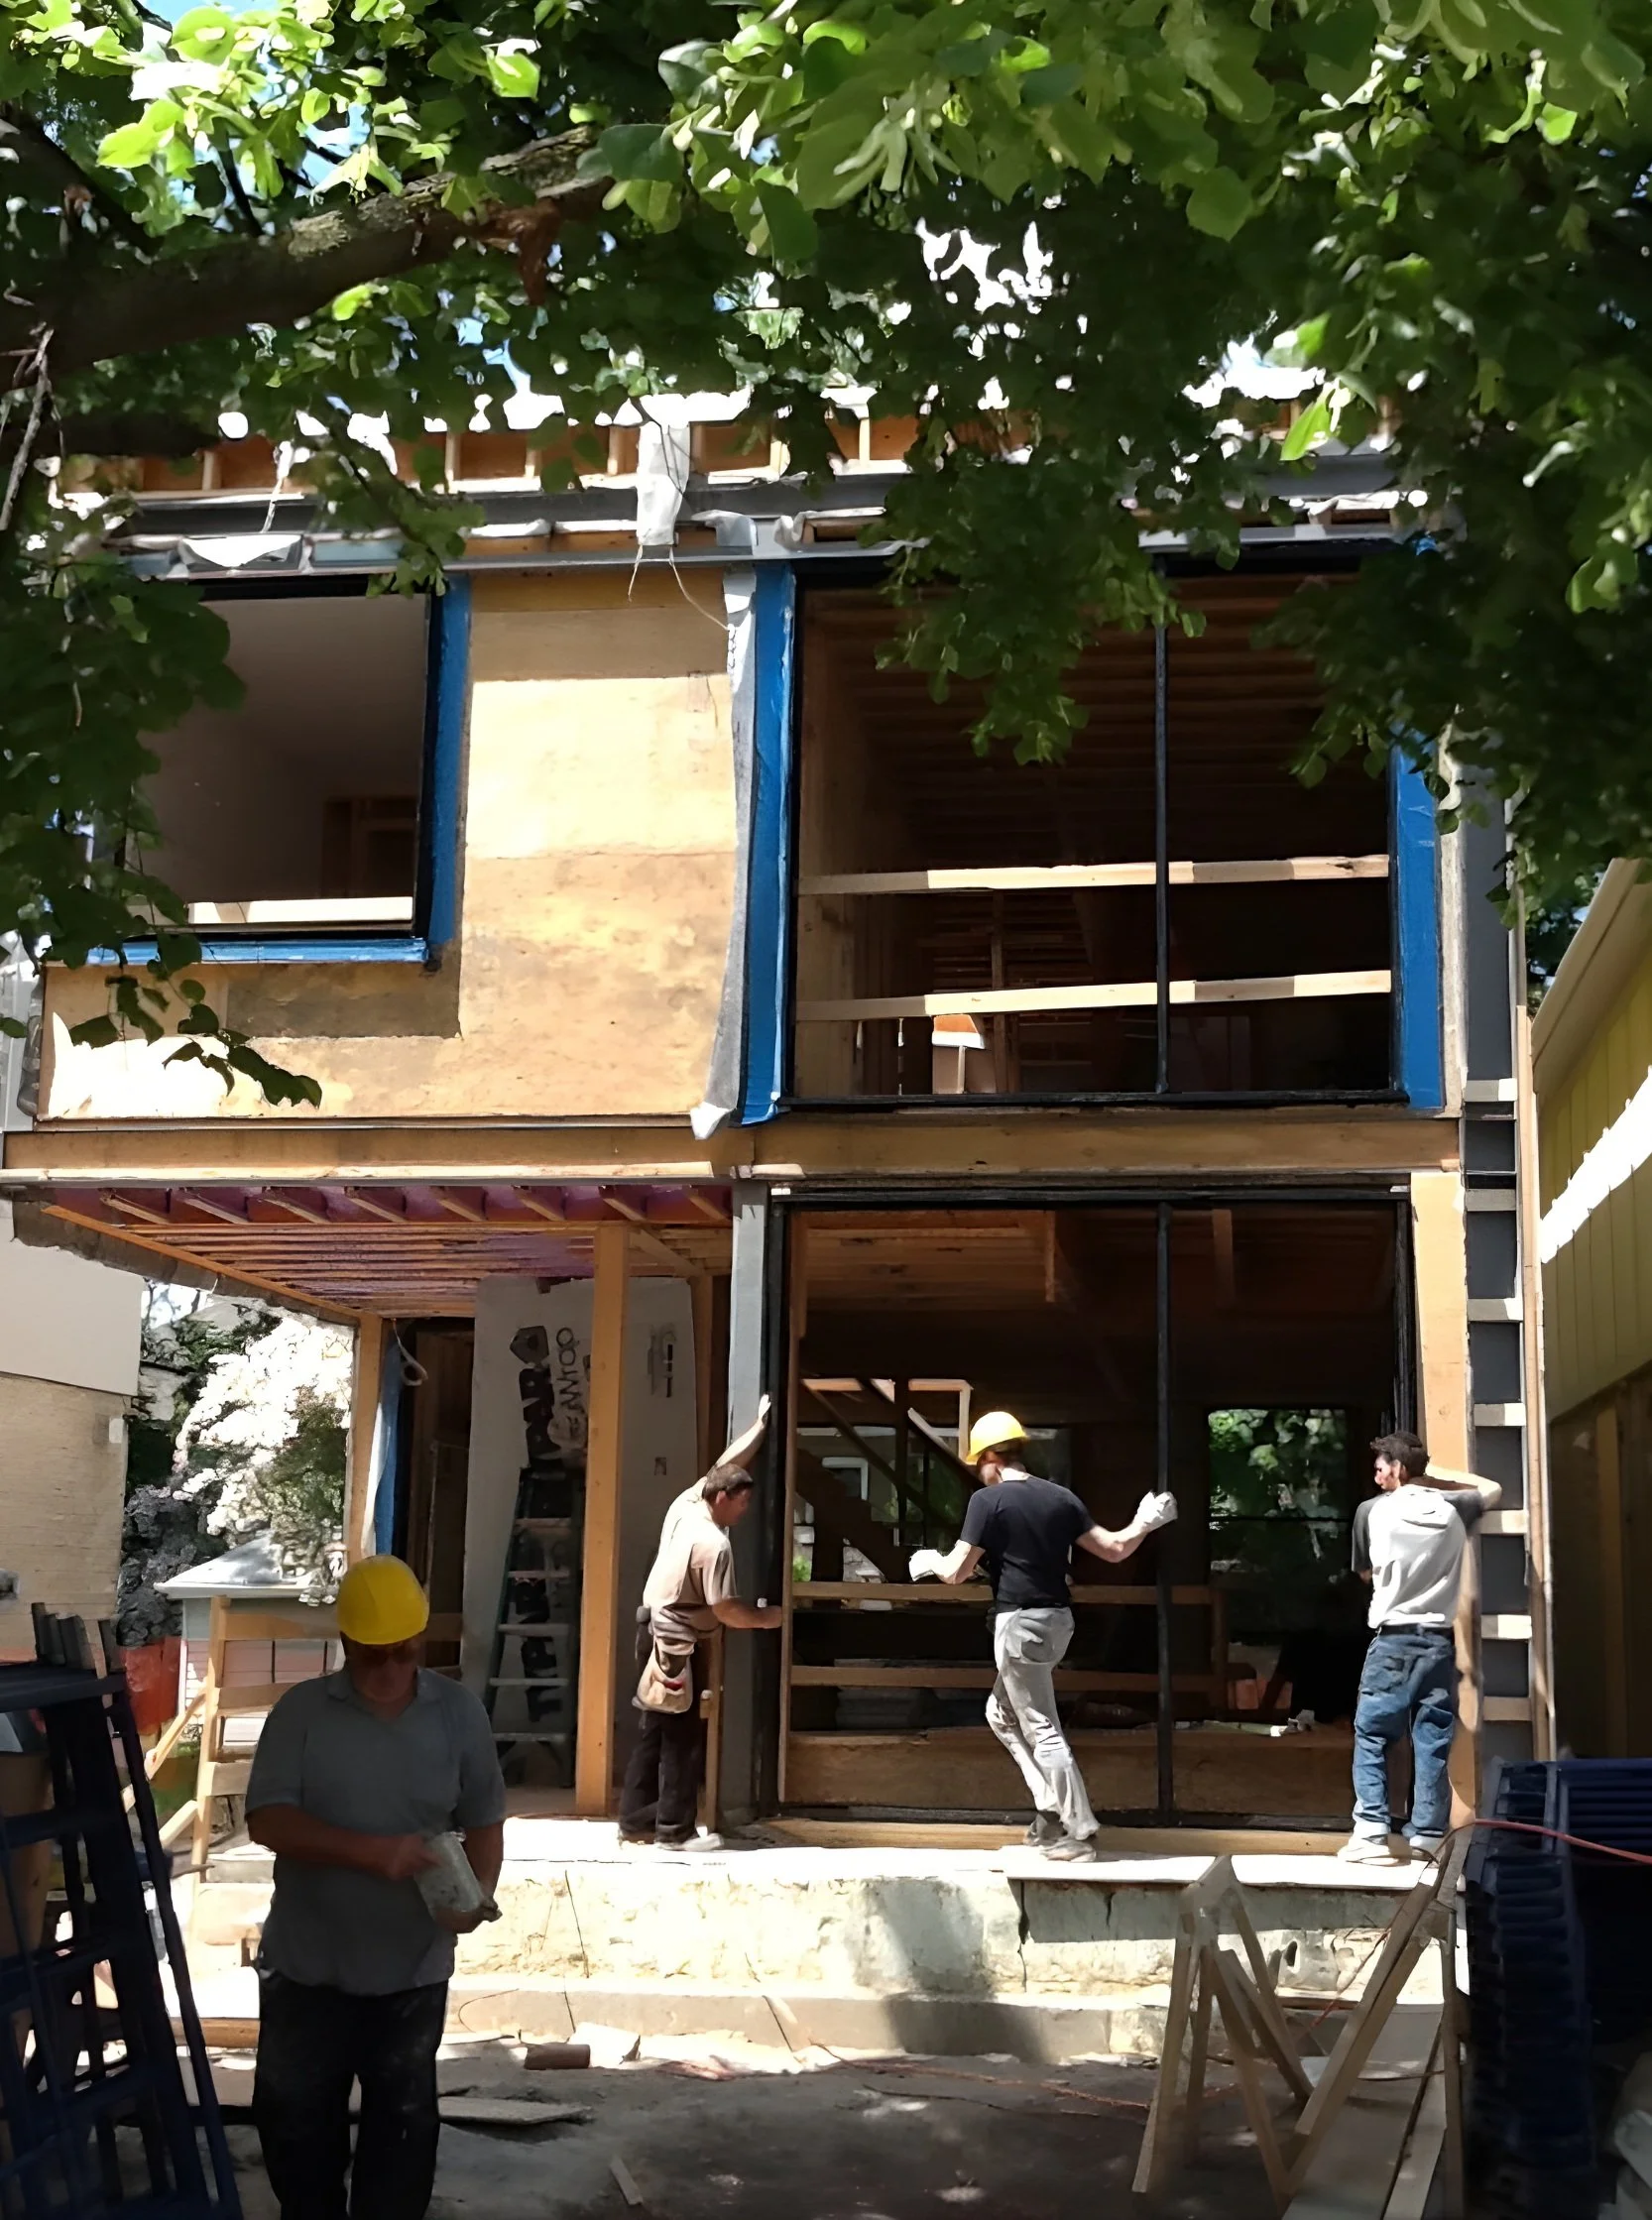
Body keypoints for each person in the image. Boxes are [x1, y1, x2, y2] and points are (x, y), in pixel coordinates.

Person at [247, 1554, 506, 2220]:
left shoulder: (458, 1714)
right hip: (308, 1966)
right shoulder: (300, 1713)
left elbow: (484, 1818)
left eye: (404, 1652)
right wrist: (370, 1853)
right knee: (296, 2131)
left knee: (402, 2135)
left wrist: (474, 1897)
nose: (391, 1669)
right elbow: (267, 1817)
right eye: (374, 1656)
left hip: (411, 1970)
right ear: (346, 1645)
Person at [909, 1412, 1177, 1863]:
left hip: (1019, 1626)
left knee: (1042, 1729)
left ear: (992, 1458)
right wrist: (1146, 1521)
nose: (980, 1471)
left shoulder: (987, 1502)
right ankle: (1048, 1805)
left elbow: (956, 1572)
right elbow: (1115, 1549)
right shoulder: (1061, 1498)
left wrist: (928, 1561)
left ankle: (1079, 1830)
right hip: (1057, 1623)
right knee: (1000, 1713)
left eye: (979, 1462)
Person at [620, 1398, 782, 1851]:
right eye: (742, 1502)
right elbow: (727, 1609)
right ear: (722, 1498)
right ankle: (673, 1831)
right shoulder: (714, 1544)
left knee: (654, 1729)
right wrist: (770, 1619)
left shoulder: (686, 1505)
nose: (744, 1511)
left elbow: (724, 1463)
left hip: (649, 1628)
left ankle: (634, 1822)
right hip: (674, 1642)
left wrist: (759, 1428)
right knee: (682, 1735)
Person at [1340, 1430, 1502, 1866]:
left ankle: (1372, 1833)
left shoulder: (1371, 1512)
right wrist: (1431, 1475)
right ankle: (1428, 1835)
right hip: (1438, 1642)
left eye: (1381, 1467)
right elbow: (1492, 1489)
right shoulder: (1454, 1508)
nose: (1376, 1478)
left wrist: (1417, 1475)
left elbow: (1364, 1574)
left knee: (1373, 1733)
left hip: (1393, 1639)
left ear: (1397, 1468)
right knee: (1431, 1738)